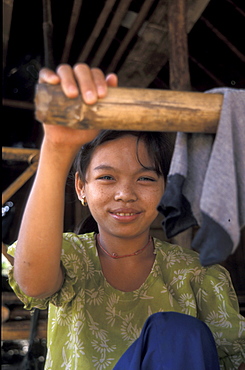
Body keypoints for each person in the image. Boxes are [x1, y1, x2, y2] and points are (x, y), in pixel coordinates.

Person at [7, 64, 245, 370]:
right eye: (107, 178)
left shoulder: (194, 276)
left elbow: (235, 359)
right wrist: (57, 147)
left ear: (165, 188)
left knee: (174, 333)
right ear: (81, 187)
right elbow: (34, 284)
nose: (125, 193)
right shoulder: (71, 259)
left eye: (145, 179)